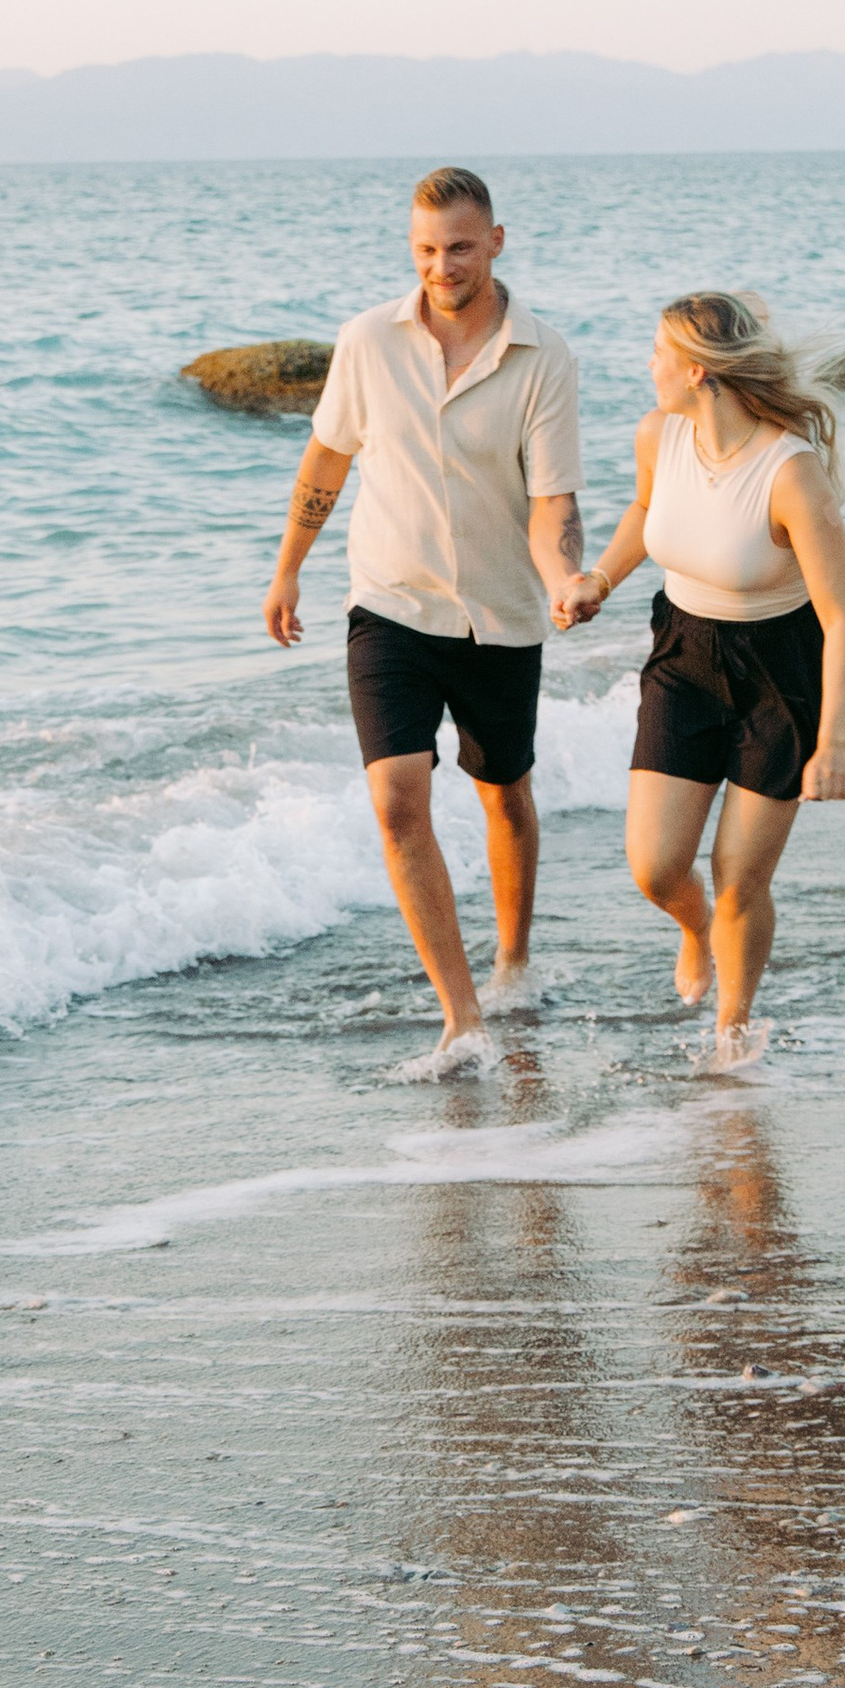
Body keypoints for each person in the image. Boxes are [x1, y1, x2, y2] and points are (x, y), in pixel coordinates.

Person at [261, 166, 589, 1080]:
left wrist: (563, 576)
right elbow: (327, 457)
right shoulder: (369, 341)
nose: (442, 265)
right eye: (426, 249)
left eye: (458, 246)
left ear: (495, 242)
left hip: (500, 614)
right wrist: (288, 568)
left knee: (503, 789)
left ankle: (514, 959)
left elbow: (552, 497)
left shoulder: (543, 357)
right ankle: (462, 1018)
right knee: (398, 801)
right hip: (389, 606)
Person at [560, 289, 845, 1071]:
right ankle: (694, 931)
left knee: (739, 877)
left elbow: (842, 618)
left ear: (698, 371)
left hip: (782, 671)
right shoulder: (658, 436)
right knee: (656, 866)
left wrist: (831, 742)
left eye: (658, 354)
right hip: (685, 657)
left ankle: (732, 1037)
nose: (649, 366)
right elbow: (643, 507)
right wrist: (600, 576)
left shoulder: (789, 473)